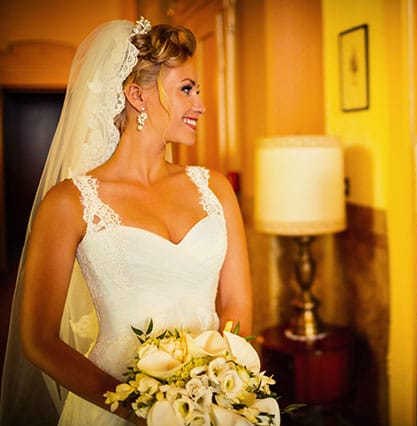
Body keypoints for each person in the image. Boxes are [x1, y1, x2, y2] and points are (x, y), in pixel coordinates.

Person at [0, 17, 253, 425]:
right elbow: (38, 341)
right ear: (137, 95)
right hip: (110, 407)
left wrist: (219, 388)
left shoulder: (216, 188)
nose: (200, 105)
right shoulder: (68, 203)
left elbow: (238, 303)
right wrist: (141, 411)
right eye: (187, 89)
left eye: (197, 91)